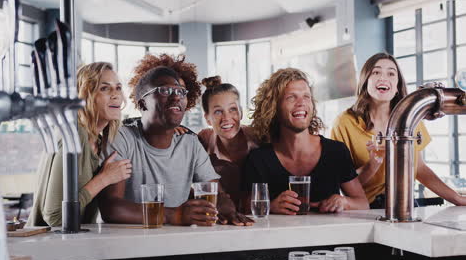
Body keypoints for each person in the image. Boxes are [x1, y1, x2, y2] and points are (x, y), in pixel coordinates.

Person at [98, 66, 241, 226]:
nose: (176, 98)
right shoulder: (121, 138)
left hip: (178, 240)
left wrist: (225, 207)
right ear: (143, 103)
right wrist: (173, 216)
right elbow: (111, 208)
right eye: (165, 91)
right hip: (132, 243)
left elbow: (216, 193)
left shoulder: (190, 143)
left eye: (181, 92)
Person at [331, 52, 466, 208]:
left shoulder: (409, 116)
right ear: (365, 81)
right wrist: (372, 165)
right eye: (376, 72)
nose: (383, 78)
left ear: (397, 86)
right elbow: (344, 186)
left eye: (391, 74)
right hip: (366, 210)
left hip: (406, 204)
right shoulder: (344, 123)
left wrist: (457, 199)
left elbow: (419, 168)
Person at [243, 68, 369, 215]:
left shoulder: (336, 152)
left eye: (306, 97)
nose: (301, 103)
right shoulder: (259, 159)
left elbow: (362, 203)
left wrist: (343, 201)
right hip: (280, 238)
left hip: (330, 237)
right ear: (274, 107)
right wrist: (271, 206)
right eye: (291, 97)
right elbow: (245, 207)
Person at [27, 62, 132, 226]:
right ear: (85, 95)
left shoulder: (98, 140)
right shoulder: (75, 134)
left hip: (74, 246)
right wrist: (104, 179)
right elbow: (55, 217)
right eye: (104, 88)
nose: (116, 95)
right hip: (48, 247)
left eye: (118, 88)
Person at [197, 76, 258, 219]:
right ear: (207, 118)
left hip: (258, 218)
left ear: (241, 112)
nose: (226, 118)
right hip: (220, 221)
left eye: (232, 109)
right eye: (218, 111)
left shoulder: (259, 138)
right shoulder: (203, 140)